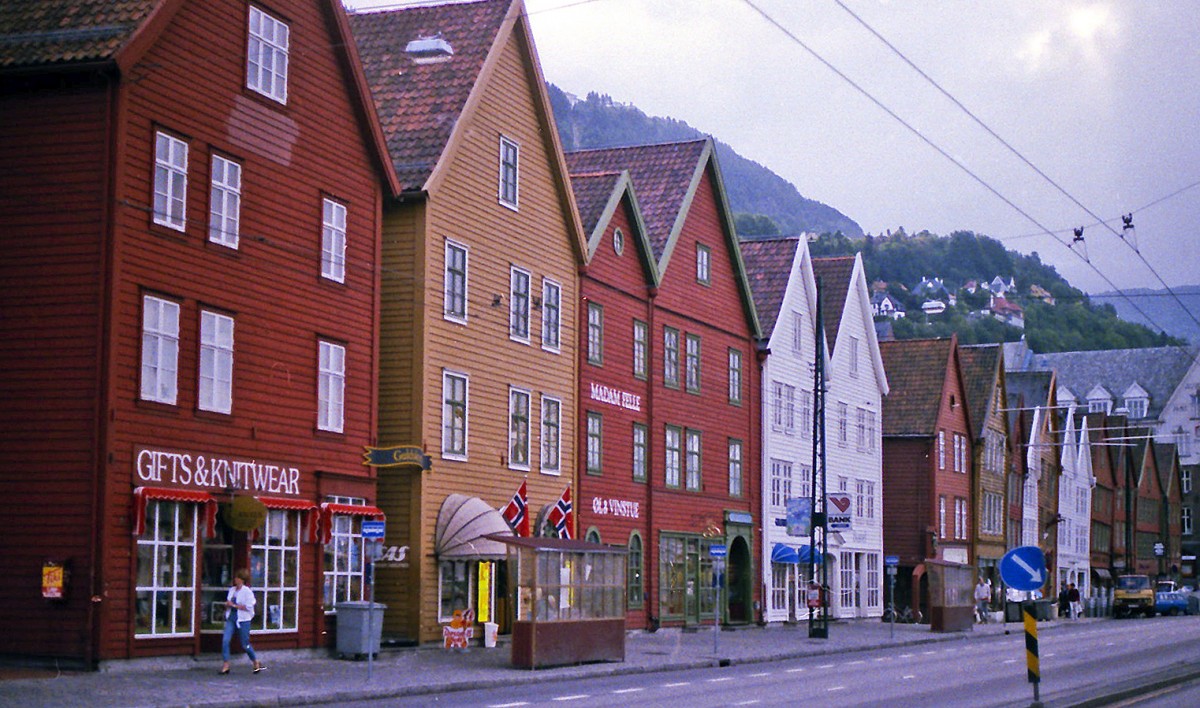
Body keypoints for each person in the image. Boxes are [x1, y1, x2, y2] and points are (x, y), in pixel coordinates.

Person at [220, 568, 264, 675]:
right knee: (225, 640)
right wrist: (227, 606)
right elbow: (229, 603)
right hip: (231, 618)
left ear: (242, 580)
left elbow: (249, 607)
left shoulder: (247, 592)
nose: (235, 580)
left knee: (245, 644)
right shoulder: (232, 590)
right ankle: (226, 664)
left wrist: (234, 605)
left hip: (243, 619)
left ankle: (255, 661)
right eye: (235, 578)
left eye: (238, 578)